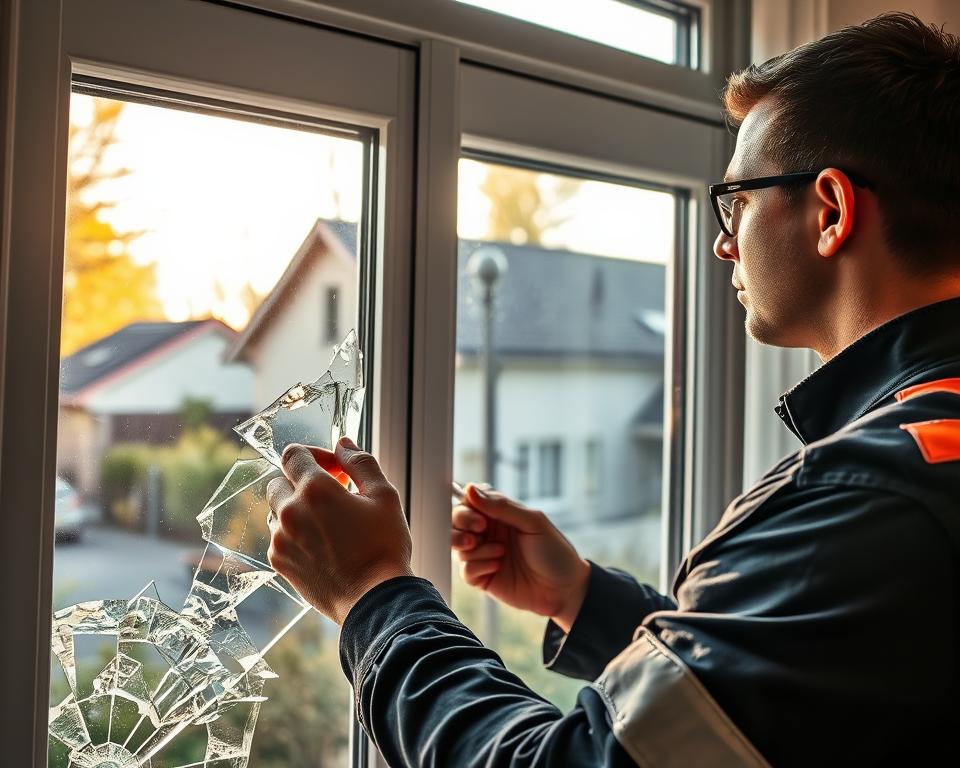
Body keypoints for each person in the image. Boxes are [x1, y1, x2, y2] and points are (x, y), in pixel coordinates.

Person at [265, 13, 960, 766]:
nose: (724, 240)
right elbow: (800, 688)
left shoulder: (863, 494)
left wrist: (373, 593)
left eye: (739, 200)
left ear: (830, 211)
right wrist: (588, 601)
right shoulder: (912, 467)